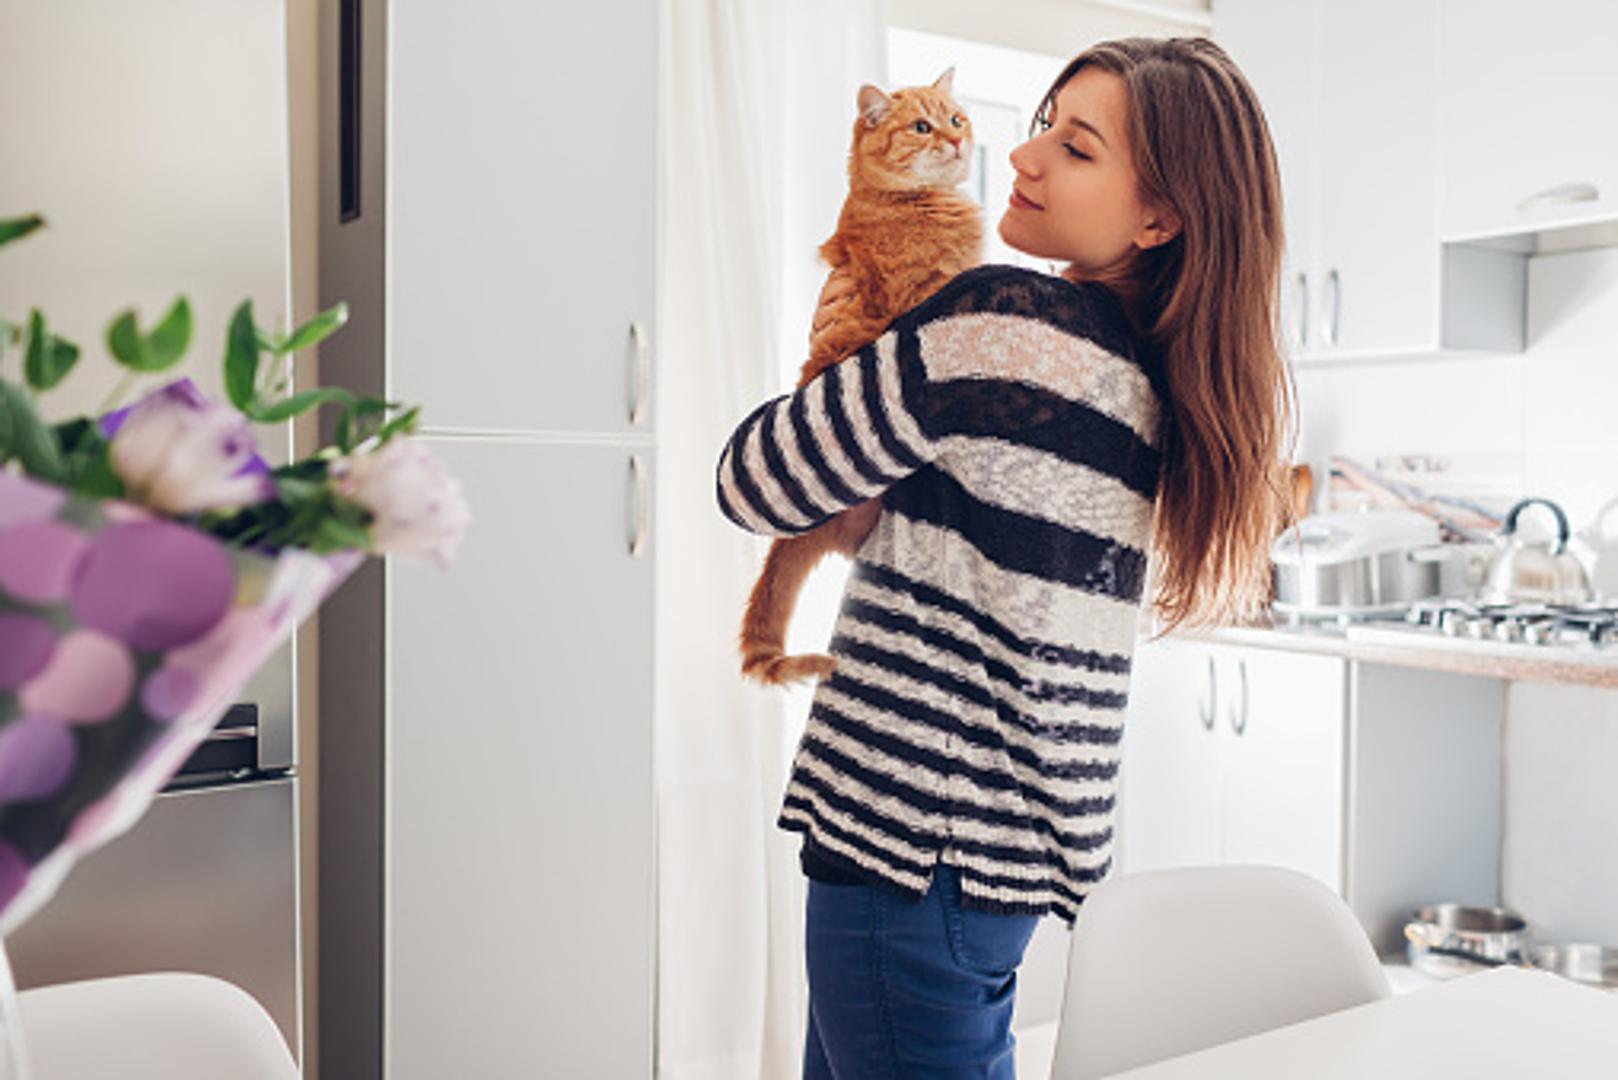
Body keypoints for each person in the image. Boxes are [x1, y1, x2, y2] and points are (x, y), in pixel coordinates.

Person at [714, 35, 1297, 1079]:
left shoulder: (1005, 321)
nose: (1022, 159)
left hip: (905, 845)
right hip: (1001, 866)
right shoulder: (1149, 371)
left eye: (1075, 150)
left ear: (1160, 216)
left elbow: (754, 478)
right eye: (1040, 128)